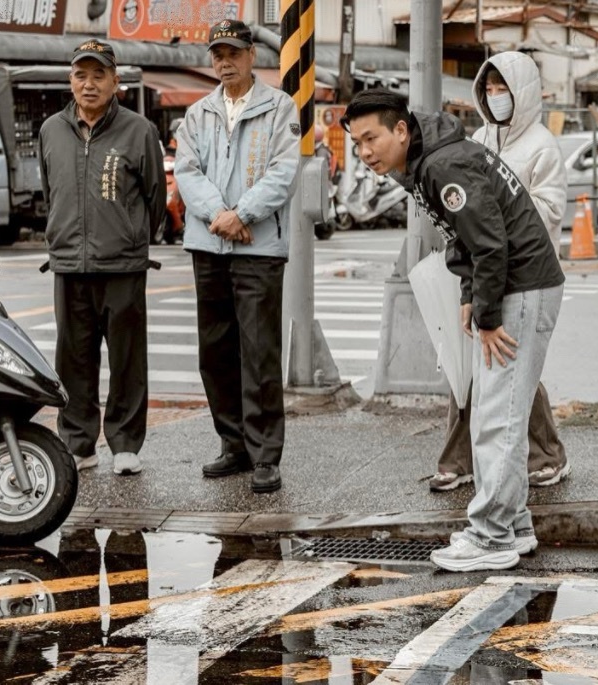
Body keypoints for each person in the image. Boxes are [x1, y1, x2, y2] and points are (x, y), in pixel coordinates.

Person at [342, 89, 565, 572]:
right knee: (495, 411)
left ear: (401, 130)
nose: (364, 152)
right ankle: (514, 525)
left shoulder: (442, 166)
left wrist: (488, 317)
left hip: (521, 287)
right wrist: (470, 295)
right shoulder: (432, 160)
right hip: (519, 284)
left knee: (497, 417)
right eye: (357, 142)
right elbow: (465, 237)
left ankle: (491, 536)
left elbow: (490, 244)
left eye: (371, 138)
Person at [428, 51, 570, 493]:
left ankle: (546, 455)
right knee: (469, 363)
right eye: (487, 89)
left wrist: (496, 209)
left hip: (525, 273)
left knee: (509, 366)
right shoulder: (479, 138)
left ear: (521, 91)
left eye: (502, 88)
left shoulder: (542, 145)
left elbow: (549, 210)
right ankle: (460, 458)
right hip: (480, 267)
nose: (494, 96)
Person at [174, 19, 301, 494]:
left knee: (259, 351)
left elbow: (284, 171)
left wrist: (242, 213)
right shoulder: (198, 113)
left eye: (232, 53)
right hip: (209, 243)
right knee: (215, 351)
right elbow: (187, 171)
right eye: (217, 55)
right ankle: (234, 444)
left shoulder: (279, 107)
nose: (224, 63)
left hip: (258, 246)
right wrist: (219, 216)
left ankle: (265, 453)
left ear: (252, 55)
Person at [38, 39, 166, 476]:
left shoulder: (139, 131)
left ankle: (126, 444)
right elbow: (51, 191)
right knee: (73, 359)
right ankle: (79, 443)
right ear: (70, 80)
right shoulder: (51, 130)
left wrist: (130, 237)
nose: (89, 84)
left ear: (115, 81)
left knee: (127, 359)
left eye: (98, 75)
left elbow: (155, 198)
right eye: (81, 75)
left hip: (123, 266)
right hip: (68, 264)